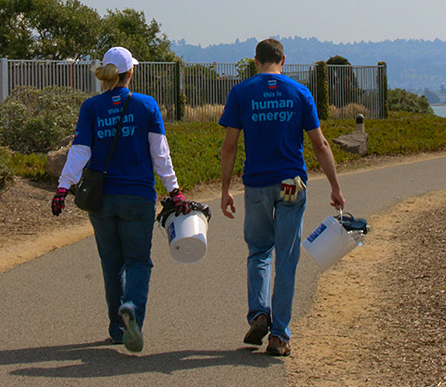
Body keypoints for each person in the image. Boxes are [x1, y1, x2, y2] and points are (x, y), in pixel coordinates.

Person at [51, 46, 189, 353]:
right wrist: (174, 191)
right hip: (138, 196)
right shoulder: (147, 105)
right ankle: (132, 309)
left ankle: (116, 328)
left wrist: (63, 188)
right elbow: (160, 155)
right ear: (130, 73)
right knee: (138, 261)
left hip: (101, 200)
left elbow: (80, 151)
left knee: (111, 263)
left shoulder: (91, 108)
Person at [219, 39, 345, 357]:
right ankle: (279, 337)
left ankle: (259, 314)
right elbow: (320, 144)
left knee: (259, 251)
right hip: (292, 183)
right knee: (286, 260)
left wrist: (224, 189)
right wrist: (334, 186)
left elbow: (230, 145)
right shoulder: (300, 93)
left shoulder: (241, 93)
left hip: (257, 184)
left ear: (256, 60)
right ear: (283, 60)